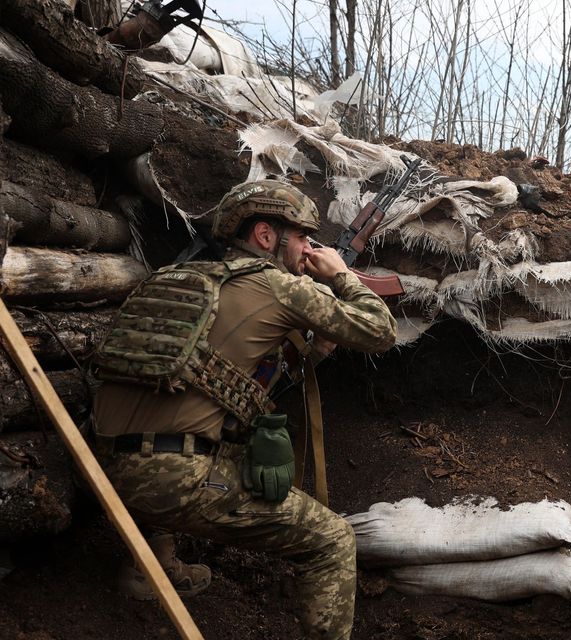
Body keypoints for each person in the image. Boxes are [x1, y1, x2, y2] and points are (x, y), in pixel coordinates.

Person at [91, 180, 397, 638]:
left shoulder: (175, 279)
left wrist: (313, 354)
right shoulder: (280, 287)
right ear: (265, 235)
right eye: (302, 237)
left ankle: (148, 566)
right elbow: (380, 330)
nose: (309, 249)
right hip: (172, 482)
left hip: (100, 466)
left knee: (230, 443)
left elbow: (227, 387)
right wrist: (340, 275)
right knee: (333, 540)